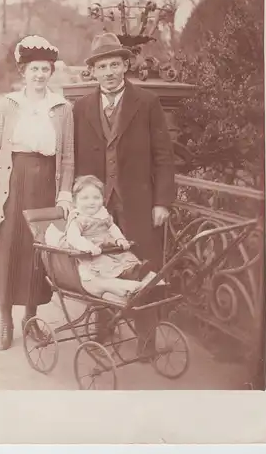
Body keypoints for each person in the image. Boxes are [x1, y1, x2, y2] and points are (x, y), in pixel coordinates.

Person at [73, 32, 176, 355]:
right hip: (95, 208)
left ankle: (146, 338)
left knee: (142, 267)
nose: (109, 72)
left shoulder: (146, 102)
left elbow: (163, 155)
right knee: (98, 262)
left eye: (114, 64)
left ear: (125, 65)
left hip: (138, 203)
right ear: (93, 71)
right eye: (102, 66)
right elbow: (73, 157)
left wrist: (161, 201)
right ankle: (102, 329)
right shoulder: (82, 107)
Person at [0, 35, 74, 351]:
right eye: (34, 68)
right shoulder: (6, 105)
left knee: (38, 254)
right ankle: (5, 321)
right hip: (12, 185)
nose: (40, 74)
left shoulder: (62, 108)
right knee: (7, 250)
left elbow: (69, 156)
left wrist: (64, 195)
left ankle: (30, 320)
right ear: (23, 71)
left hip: (46, 185)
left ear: (51, 72)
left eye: (45, 69)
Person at [45, 174, 153, 298]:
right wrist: (88, 246)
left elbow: (112, 227)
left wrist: (120, 238)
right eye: (85, 198)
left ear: (102, 199)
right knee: (101, 266)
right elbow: (73, 237)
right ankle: (124, 281)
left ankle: (134, 272)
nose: (91, 202)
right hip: (91, 253)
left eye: (96, 198)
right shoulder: (78, 218)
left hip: (107, 249)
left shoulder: (102, 214)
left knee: (124, 256)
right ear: (75, 202)